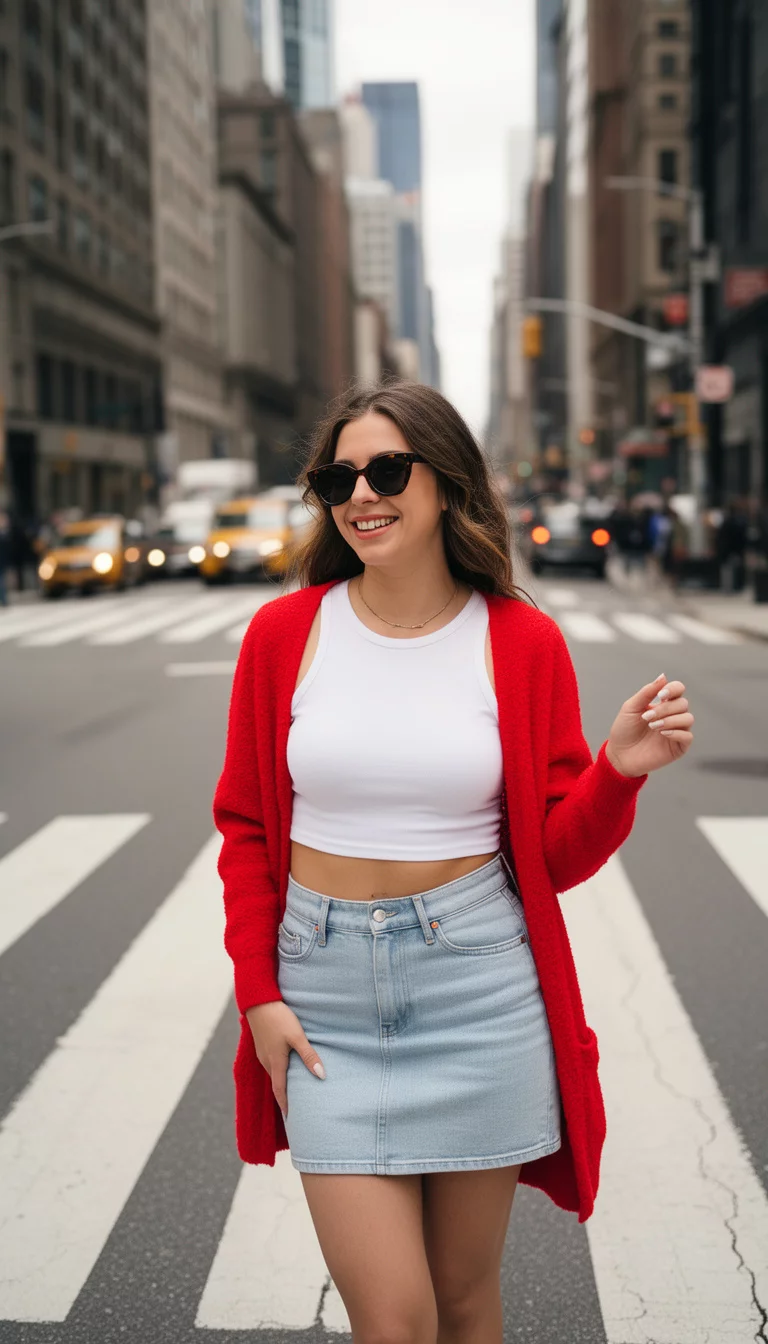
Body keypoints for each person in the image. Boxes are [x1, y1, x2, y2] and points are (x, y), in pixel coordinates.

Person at [213, 381, 695, 1343]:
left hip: (478, 989)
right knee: (393, 1321)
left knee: (466, 1301)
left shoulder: (521, 641)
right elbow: (247, 831)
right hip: (326, 1000)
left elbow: (551, 856)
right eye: (338, 476)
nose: (362, 494)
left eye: (387, 469)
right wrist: (260, 993)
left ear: (446, 485)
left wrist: (617, 774)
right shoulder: (283, 637)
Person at [0, 510, 11, 607]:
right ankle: (3, 600)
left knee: (2, 581)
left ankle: (4, 600)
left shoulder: (5, 534)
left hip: (2, 562)